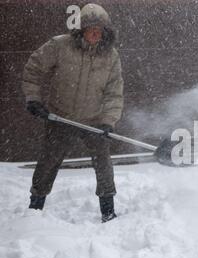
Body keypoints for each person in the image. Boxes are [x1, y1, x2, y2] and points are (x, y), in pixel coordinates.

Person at [22, 3, 124, 223]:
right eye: (90, 28)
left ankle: (108, 210)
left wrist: (108, 121)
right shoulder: (60, 46)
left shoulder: (111, 56)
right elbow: (33, 68)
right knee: (48, 163)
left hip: (94, 120)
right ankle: (34, 208)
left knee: (104, 165)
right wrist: (33, 98)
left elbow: (114, 93)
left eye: (100, 29)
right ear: (81, 29)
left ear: (105, 31)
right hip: (61, 117)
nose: (95, 33)